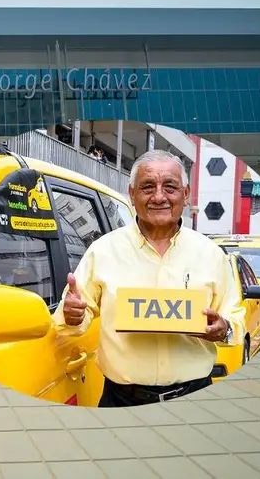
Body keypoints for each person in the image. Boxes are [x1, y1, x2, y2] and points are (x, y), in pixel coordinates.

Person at [52, 149, 245, 407]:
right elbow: (70, 321)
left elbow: (235, 319)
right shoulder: (103, 251)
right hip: (121, 401)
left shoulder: (211, 254)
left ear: (185, 195)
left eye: (170, 187)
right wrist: (73, 314)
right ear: (132, 194)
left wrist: (224, 328)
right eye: (147, 187)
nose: (158, 197)